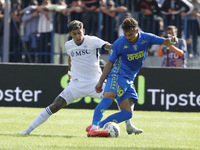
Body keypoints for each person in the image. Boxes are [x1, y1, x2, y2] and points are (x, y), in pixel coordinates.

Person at [18, 20, 139, 135]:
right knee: (55, 106)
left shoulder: (92, 41)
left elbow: (108, 46)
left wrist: (125, 47)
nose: (77, 36)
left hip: (95, 83)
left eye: (79, 33)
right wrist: (70, 74)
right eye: (74, 34)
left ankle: (129, 125)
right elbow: (70, 59)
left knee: (120, 96)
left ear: (83, 31)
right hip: (76, 85)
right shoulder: (68, 45)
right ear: (70, 34)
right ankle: (27, 131)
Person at [87, 17, 178, 137]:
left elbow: (165, 42)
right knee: (109, 96)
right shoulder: (119, 43)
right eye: (125, 34)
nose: (128, 37)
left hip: (129, 78)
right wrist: (101, 81)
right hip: (118, 74)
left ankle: (100, 125)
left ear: (136, 31)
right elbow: (110, 63)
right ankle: (94, 127)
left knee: (127, 113)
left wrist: (172, 40)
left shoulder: (146, 38)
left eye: (130, 34)